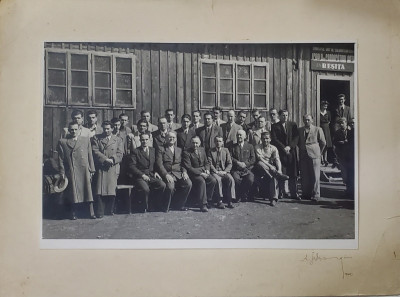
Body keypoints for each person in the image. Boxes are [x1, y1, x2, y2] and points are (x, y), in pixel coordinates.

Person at [57, 122, 96, 219]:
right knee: (73, 192)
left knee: (88, 191)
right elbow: (61, 159)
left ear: (79, 130)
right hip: (72, 170)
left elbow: (90, 155)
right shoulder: (63, 142)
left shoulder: (85, 140)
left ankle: (91, 213)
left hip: (84, 169)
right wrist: (62, 172)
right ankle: (73, 213)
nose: (73, 131)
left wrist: (92, 169)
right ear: (68, 130)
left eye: (75, 129)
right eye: (71, 130)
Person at [91, 121, 124, 218]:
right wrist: (105, 159)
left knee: (111, 189)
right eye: (104, 128)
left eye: (108, 128)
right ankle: (100, 212)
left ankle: (109, 210)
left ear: (112, 128)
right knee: (100, 190)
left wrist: (113, 159)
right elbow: (95, 151)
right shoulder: (96, 138)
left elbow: (120, 153)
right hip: (101, 167)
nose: (106, 130)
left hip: (112, 167)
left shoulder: (118, 139)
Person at [127, 133, 166, 212]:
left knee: (162, 185)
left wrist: (156, 172)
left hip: (151, 175)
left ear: (149, 140)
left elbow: (156, 163)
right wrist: (142, 175)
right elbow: (132, 166)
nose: (144, 141)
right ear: (140, 140)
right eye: (142, 140)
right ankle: (144, 207)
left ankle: (155, 204)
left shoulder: (153, 150)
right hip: (140, 176)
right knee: (145, 189)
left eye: (146, 139)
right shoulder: (135, 151)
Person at [156, 131, 192, 211]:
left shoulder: (179, 149)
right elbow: (159, 164)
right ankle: (166, 206)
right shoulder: (161, 149)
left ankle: (179, 205)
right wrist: (165, 174)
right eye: (169, 137)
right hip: (167, 173)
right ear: (166, 138)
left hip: (178, 173)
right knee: (170, 187)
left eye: (173, 137)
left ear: (175, 139)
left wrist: (184, 172)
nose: (171, 139)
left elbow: (183, 163)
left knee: (188, 184)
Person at [182, 136, 217, 212]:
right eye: (193, 143)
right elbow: (189, 167)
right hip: (193, 174)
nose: (195, 145)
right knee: (201, 181)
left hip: (204, 171)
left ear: (200, 143)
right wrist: (201, 173)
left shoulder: (202, 149)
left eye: (196, 143)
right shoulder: (186, 152)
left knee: (213, 180)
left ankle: (208, 200)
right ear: (190, 143)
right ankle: (203, 204)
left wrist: (207, 170)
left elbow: (207, 162)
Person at [271, 109, 300, 200]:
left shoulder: (293, 125)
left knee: (293, 173)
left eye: (287, 115)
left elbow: (296, 137)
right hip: (281, 152)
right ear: (279, 116)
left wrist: (290, 147)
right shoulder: (275, 126)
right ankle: (282, 192)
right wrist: (283, 147)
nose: (285, 117)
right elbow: (275, 139)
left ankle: (294, 193)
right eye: (283, 115)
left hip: (291, 152)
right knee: (282, 173)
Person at [254, 132, 288, 206]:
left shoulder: (273, 148)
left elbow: (277, 159)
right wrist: (271, 166)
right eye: (263, 139)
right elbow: (260, 159)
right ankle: (278, 175)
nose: (265, 140)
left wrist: (279, 170)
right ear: (261, 139)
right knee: (260, 163)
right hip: (260, 168)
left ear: (270, 139)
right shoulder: (257, 147)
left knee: (273, 177)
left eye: (267, 138)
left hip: (270, 169)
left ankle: (273, 198)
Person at [298, 114, 326, 201]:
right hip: (303, 154)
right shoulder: (300, 130)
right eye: (305, 120)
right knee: (304, 175)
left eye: (308, 120)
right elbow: (299, 142)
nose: (307, 121)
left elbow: (323, 143)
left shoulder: (318, 129)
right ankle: (305, 194)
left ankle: (315, 195)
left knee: (315, 175)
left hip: (315, 155)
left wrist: (319, 153)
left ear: (312, 120)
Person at [208, 136, 235, 209]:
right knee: (218, 180)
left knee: (231, 179)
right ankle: (219, 201)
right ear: (214, 142)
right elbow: (209, 164)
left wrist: (225, 171)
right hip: (215, 172)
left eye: (220, 141)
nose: (218, 143)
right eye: (216, 141)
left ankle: (230, 200)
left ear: (223, 142)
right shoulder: (211, 151)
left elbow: (230, 163)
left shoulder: (226, 150)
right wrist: (216, 171)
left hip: (224, 171)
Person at [230, 130, 256, 202]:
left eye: (241, 135)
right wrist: (237, 162)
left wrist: (245, 164)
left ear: (245, 136)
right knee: (236, 179)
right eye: (238, 135)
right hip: (236, 169)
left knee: (250, 179)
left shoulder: (250, 146)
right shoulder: (233, 146)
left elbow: (253, 158)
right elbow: (230, 157)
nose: (239, 136)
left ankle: (244, 193)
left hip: (247, 169)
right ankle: (239, 195)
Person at [333, 117, 354, 197]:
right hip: (342, 154)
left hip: (350, 155)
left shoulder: (350, 131)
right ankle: (347, 188)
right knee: (344, 173)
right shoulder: (337, 132)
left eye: (343, 123)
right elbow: (334, 142)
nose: (342, 124)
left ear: (346, 123)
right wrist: (341, 142)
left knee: (350, 173)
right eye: (340, 123)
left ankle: (350, 189)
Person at [319, 100, 333, 166]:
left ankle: (325, 159)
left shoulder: (328, 112)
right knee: (321, 143)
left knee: (326, 145)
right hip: (321, 128)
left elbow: (329, 121)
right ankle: (321, 159)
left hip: (327, 128)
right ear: (321, 105)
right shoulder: (318, 112)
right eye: (324, 105)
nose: (325, 106)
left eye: (326, 105)